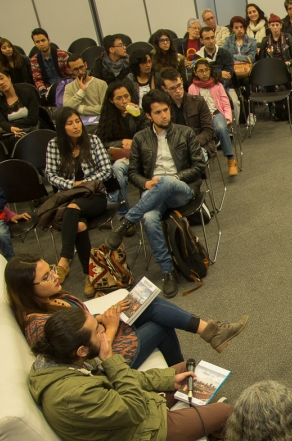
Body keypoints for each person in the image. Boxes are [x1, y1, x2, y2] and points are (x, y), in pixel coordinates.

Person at [26, 306, 234, 441]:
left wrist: (170, 380)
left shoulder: (63, 361)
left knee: (184, 371)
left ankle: (209, 434)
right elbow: (135, 409)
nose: (103, 330)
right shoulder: (73, 394)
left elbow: (119, 382)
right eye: (97, 330)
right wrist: (110, 360)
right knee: (226, 412)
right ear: (81, 350)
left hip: (124, 418)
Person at [5, 254, 249, 370]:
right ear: (28, 289)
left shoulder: (51, 297)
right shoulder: (38, 325)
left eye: (51, 269)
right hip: (104, 359)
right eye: (46, 277)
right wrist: (109, 328)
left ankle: (209, 332)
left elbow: (80, 322)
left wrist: (103, 316)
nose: (55, 276)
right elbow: (82, 361)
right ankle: (185, 370)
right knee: (160, 326)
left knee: (147, 304)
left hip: (101, 333)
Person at [104, 89, 206, 298]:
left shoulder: (185, 132)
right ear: (148, 116)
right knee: (149, 218)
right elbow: (133, 172)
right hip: (153, 192)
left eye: (166, 110)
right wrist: (146, 182)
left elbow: (199, 167)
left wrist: (174, 179)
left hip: (181, 188)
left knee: (167, 180)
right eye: (158, 112)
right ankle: (167, 272)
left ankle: (127, 222)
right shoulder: (140, 138)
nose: (164, 115)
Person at [44, 107, 114, 295]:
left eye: (77, 121)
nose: (76, 126)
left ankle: (64, 260)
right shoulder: (53, 145)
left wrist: (85, 184)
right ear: (61, 127)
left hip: (94, 196)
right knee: (79, 226)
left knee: (73, 209)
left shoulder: (93, 141)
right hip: (69, 196)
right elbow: (50, 175)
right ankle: (89, 275)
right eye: (70, 123)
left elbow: (107, 170)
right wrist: (72, 184)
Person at [96, 81, 149, 227]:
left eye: (126, 96)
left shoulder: (138, 112)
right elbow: (101, 142)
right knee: (117, 170)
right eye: (119, 98)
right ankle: (125, 216)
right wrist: (121, 142)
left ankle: (124, 212)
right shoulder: (108, 117)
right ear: (111, 100)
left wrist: (137, 116)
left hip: (142, 156)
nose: (124, 101)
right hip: (122, 157)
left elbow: (149, 134)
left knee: (119, 173)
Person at [159, 67, 223, 172]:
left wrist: (190, 144)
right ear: (164, 89)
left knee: (189, 162)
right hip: (174, 148)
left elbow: (209, 131)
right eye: (172, 88)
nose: (178, 90)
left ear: (182, 81)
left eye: (179, 85)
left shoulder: (198, 102)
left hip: (200, 145)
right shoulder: (164, 109)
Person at [187, 59, 238, 176]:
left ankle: (231, 160)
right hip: (201, 118)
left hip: (216, 113)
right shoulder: (192, 88)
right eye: (201, 71)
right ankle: (198, 162)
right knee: (193, 132)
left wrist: (228, 117)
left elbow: (225, 102)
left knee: (221, 127)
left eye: (206, 70)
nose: (204, 73)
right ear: (195, 72)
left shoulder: (217, 84)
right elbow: (192, 107)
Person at [258, 14, 292, 122]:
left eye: (277, 25)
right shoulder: (265, 40)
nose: (275, 27)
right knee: (268, 82)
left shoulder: (287, 37)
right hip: (271, 69)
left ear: (281, 25)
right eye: (273, 25)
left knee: (288, 83)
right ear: (269, 26)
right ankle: (274, 110)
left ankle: (291, 110)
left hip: (286, 67)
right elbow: (261, 59)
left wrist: (288, 63)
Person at [197, 26, 241, 127]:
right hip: (205, 89)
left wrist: (211, 73)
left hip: (226, 87)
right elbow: (199, 77)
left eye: (212, 37)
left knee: (235, 102)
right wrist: (219, 73)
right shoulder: (198, 56)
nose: (211, 41)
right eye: (207, 38)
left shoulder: (225, 54)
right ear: (201, 40)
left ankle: (232, 128)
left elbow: (228, 75)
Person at [0, 70, 40, 144]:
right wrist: (10, 128)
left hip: (32, 129)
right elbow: (1, 121)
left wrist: (10, 126)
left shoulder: (28, 93)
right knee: (15, 140)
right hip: (11, 134)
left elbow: (33, 118)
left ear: (9, 78)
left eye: (1, 78)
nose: (1, 83)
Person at [63, 54, 108, 128]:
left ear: (85, 65)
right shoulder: (69, 87)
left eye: (81, 67)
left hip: (100, 123)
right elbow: (67, 108)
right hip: (80, 125)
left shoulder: (101, 84)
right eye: (75, 69)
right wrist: (81, 92)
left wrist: (80, 108)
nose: (80, 72)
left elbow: (104, 108)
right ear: (70, 71)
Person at [29, 28, 72, 98]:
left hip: (66, 86)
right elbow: (37, 79)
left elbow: (70, 74)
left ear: (48, 40)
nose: (41, 44)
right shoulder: (34, 59)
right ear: (34, 44)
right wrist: (43, 90)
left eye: (43, 40)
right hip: (49, 90)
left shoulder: (62, 54)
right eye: (37, 42)